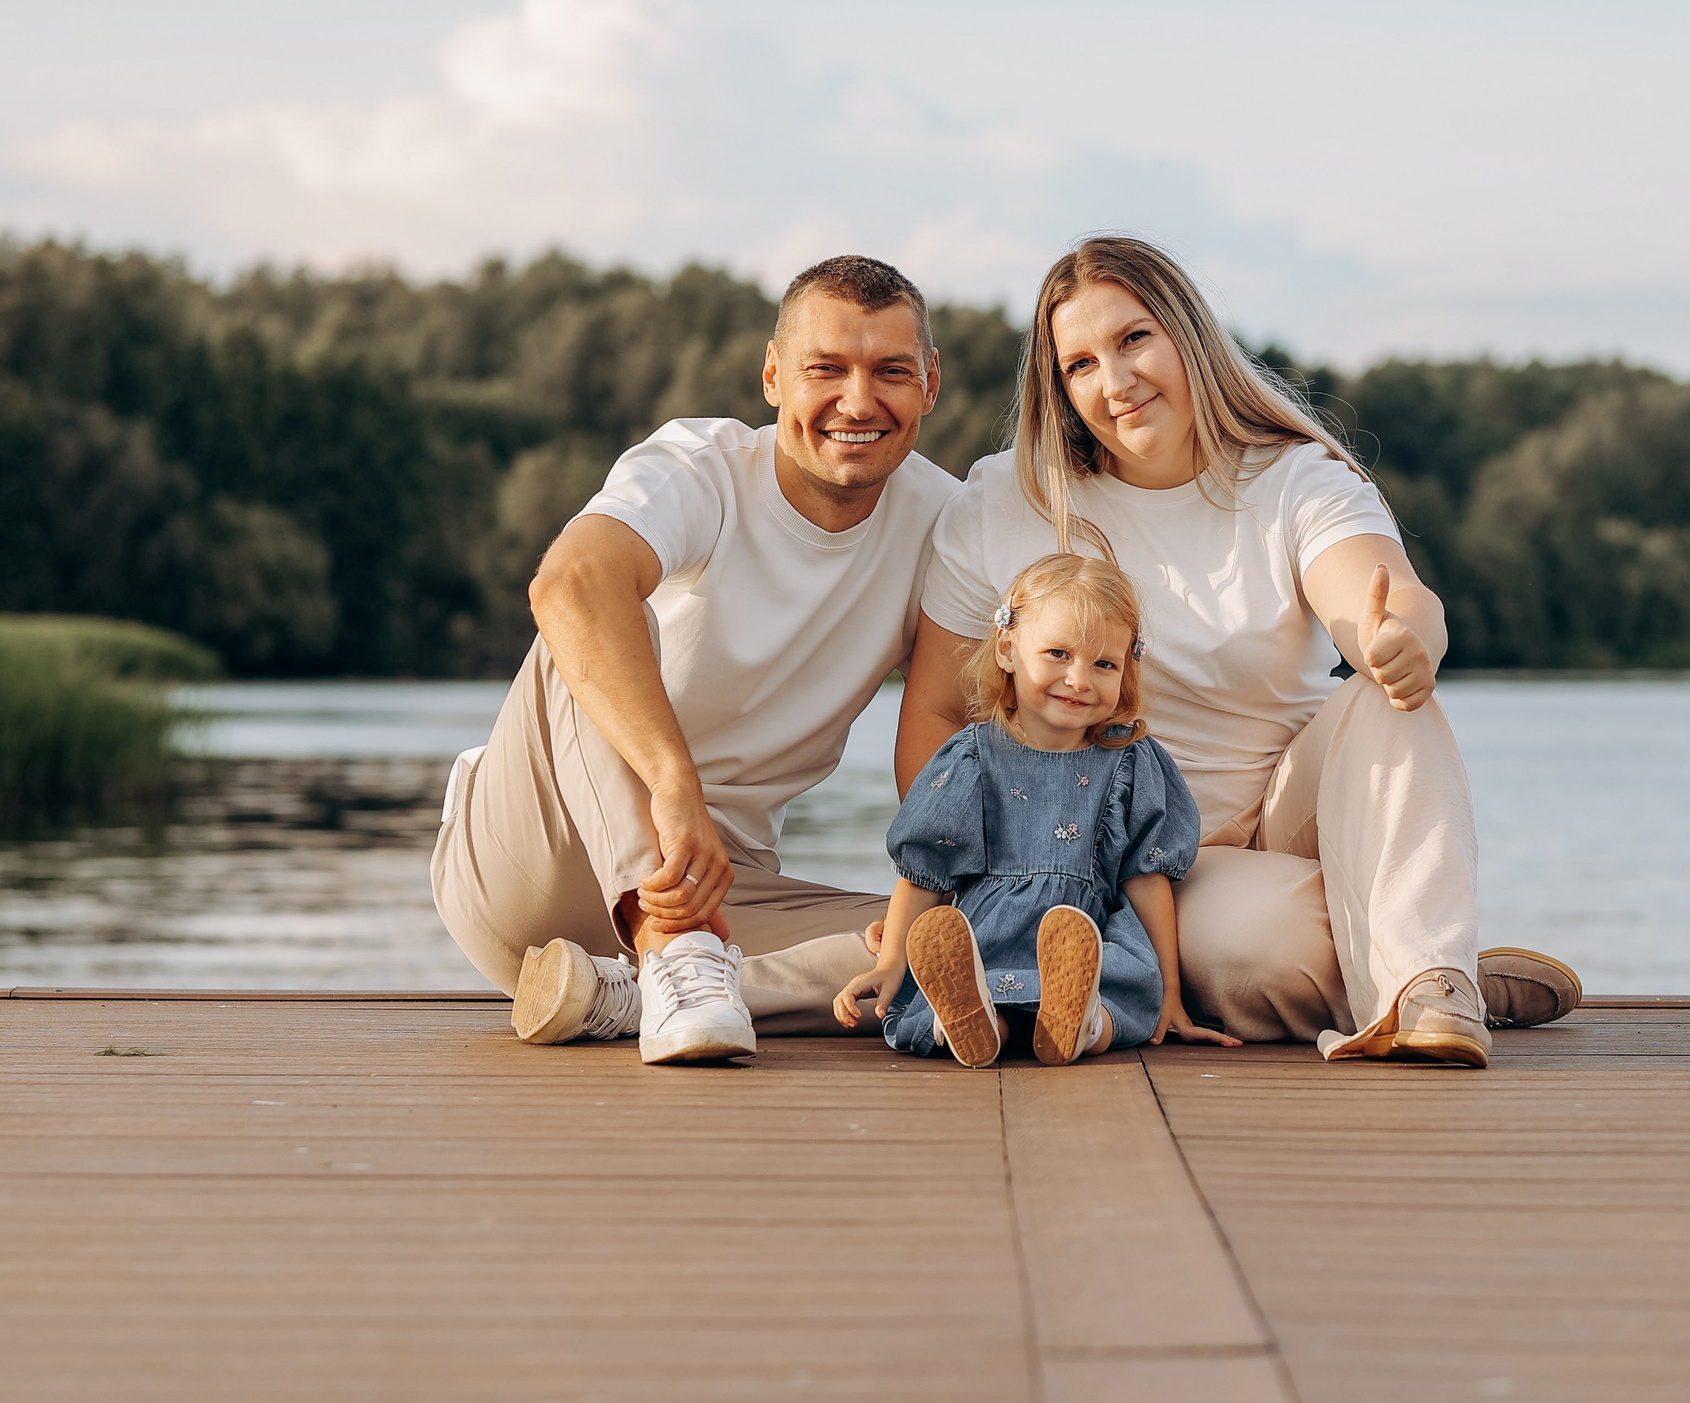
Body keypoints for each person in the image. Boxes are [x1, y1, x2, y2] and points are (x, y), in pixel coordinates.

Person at [900, 236, 1581, 1067]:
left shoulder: (1291, 477)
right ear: (1058, 387)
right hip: (1136, 852)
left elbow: (1386, 593)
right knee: (1261, 948)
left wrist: (1398, 639)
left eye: (1134, 339)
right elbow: (936, 712)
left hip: (1296, 812)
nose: (1115, 382)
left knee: (1386, 695)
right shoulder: (1006, 499)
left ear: (1188, 334)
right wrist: (967, 878)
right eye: (1079, 364)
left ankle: (1432, 983)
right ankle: (1439, 960)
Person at [429, 255, 960, 1065]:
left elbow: (950, 727)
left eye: (890, 371)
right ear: (774, 376)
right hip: (538, 852)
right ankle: (670, 952)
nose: (859, 400)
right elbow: (569, 583)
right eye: (827, 369)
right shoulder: (698, 467)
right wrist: (674, 784)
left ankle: (622, 995)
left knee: (952, 944)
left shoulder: (944, 523)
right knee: (591, 609)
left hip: (727, 888)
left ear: (929, 384)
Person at [834, 553, 1239, 1067]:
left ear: (1126, 671)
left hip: (1085, 938)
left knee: (1119, 981)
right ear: (1007, 648)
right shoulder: (971, 759)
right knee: (974, 977)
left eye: (1104, 664)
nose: (1079, 679)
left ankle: (1081, 1023)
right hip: (987, 937)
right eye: (1058, 654)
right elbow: (926, 871)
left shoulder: (1129, 761)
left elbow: (1146, 879)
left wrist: (1172, 994)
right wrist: (892, 962)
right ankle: (978, 1022)